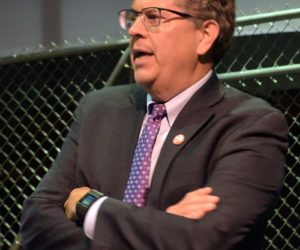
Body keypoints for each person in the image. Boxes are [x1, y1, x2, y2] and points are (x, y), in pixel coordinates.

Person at [20, 0, 289, 249]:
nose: (134, 29)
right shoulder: (99, 111)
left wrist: (91, 207)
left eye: (152, 17)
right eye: (134, 17)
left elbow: (206, 238)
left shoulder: (250, 124)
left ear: (205, 35)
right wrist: (162, 222)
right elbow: (36, 220)